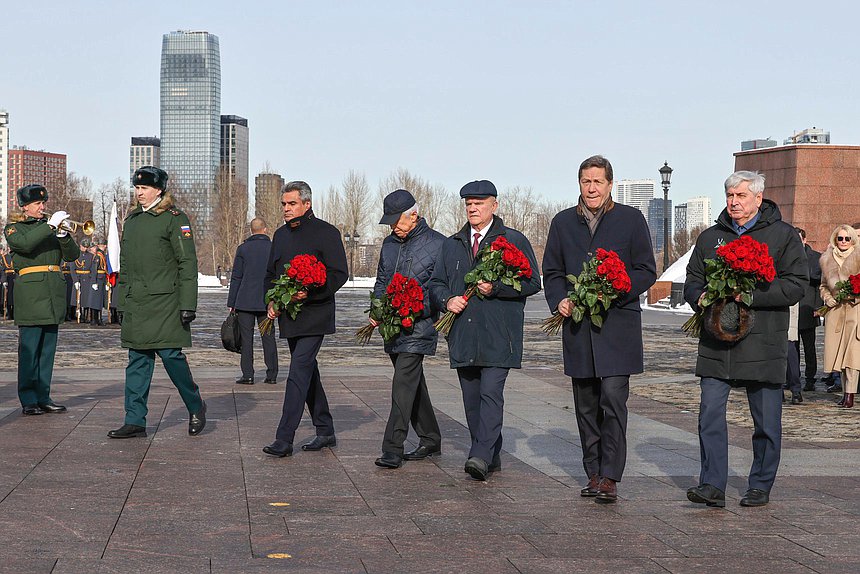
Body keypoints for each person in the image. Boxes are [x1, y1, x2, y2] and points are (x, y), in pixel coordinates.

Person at [684, 171, 806, 508]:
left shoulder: (782, 236)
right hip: (716, 341)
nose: (734, 202)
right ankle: (711, 484)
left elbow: (796, 284)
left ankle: (760, 485)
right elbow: (692, 279)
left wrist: (749, 293)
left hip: (763, 341)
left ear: (758, 197)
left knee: (766, 420)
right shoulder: (710, 238)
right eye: (729, 196)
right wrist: (702, 295)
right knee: (709, 414)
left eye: (740, 196)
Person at [542, 155, 657, 503]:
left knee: (612, 398)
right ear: (579, 184)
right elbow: (552, 271)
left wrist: (615, 288)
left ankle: (610, 475)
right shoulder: (562, 223)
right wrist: (559, 300)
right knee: (586, 404)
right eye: (585, 181)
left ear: (610, 184)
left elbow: (646, 270)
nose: (591, 188)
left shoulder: (630, 219)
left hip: (617, 329)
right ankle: (592, 471)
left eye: (598, 181)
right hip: (578, 329)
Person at [429, 180, 541, 481]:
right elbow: (435, 284)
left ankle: (478, 454)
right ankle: (490, 454)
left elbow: (533, 283)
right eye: (468, 203)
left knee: (491, 393)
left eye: (479, 202)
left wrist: (497, 288)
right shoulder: (452, 244)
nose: (473, 208)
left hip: (498, 334)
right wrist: (446, 299)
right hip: (463, 334)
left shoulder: (513, 240)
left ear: (495, 204)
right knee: (472, 399)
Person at [108, 166, 207, 439]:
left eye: (145, 188)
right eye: (137, 188)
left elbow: (188, 263)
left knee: (171, 358)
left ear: (159, 190)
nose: (139, 193)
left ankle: (196, 405)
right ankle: (135, 420)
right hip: (137, 303)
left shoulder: (174, 219)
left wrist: (189, 303)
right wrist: (121, 303)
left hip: (166, 303)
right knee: (137, 360)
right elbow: (124, 266)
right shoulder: (133, 221)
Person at [262, 181, 348, 457]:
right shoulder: (280, 235)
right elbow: (270, 275)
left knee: (298, 371)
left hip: (316, 314)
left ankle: (284, 438)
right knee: (308, 372)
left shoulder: (327, 233)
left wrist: (308, 294)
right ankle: (325, 429)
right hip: (290, 316)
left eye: (291, 204)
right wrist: (272, 301)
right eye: (284, 205)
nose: (286, 209)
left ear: (306, 204)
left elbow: (338, 274)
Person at [371, 189, 445, 469]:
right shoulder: (389, 244)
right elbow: (381, 281)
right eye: (390, 222)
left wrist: (416, 306)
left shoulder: (439, 244)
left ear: (413, 215)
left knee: (402, 384)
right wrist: (378, 308)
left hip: (419, 326)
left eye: (397, 221)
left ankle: (393, 446)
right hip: (392, 327)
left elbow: (439, 288)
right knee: (413, 384)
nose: (393, 227)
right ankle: (431, 437)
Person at [3, 184, 80, 415]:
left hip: (52, 294)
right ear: (24, 207)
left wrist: (63, 236)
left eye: (43, 203)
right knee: (29, 351)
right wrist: (49, 226)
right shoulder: (14, 229)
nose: (42, 207)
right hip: (31, 295)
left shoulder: (49, 228)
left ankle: (44, 396)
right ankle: (28, 399)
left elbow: (72, 256)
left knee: (47, 351)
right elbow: (24, 245)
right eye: (37, 204)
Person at [227, 217, 278, 385]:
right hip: (267, 301)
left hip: (244, 301)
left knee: (246, 339)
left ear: (251, 230)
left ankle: (248, 375)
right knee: (268, 337)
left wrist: (232, 303)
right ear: (265, 229)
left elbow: (236, 277)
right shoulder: (273, 248)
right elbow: (278, 276)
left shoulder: (243, 249)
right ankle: (271, 374)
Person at [819, 224, 860, 408]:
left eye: (847, 238)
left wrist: (854, 295)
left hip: (855, 311)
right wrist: (828, 298)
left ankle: (850, 394)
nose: (843, 242)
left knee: (852, 355)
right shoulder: (826, 259)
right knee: (840, 356)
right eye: (840, 238)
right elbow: (823, 286)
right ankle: (845, 392)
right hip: (835, 312)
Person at [796, 228, 822, 391]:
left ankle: (810, 378)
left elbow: (820, 284)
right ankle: (793, 377)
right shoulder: (787, 255)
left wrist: (819, 307)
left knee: (809, 347)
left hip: (808, 307)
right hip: (791, 308)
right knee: (792, 348)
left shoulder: (816, 258)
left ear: (805, 240)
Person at [0, 245, 14, 320]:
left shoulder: (15, 256)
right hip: (7, 277)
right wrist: (4, 280)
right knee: (7, 297)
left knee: (15, 296)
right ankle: (10, 314)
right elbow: (2, 270)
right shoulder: (4, 257)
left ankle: (14, 313)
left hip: (15, 277)